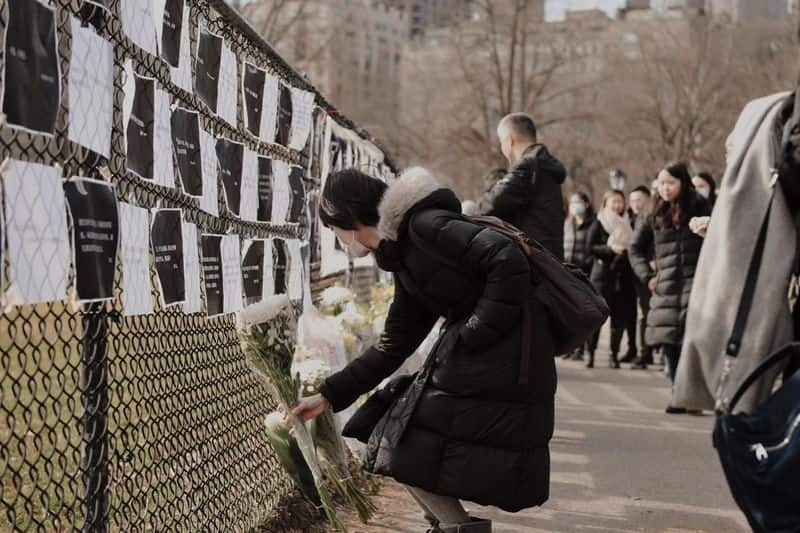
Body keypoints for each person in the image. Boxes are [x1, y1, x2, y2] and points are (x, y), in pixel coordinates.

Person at [295, 167, 557, 532]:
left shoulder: (424, 227)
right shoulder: (404, 256)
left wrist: (475, 330)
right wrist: (327, 395)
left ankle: (453, 526)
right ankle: (449, 525)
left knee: (403, 443)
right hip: (489, 352)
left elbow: (507, 258)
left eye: (333, 229)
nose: (338, 239)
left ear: (349, 218)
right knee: (397, 440)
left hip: (506, 354)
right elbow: (393, 345)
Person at [629, 162, 711, 414]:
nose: (665, 188)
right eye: (662, 183)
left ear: (682, 183)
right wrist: (648, 276)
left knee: (690, 339)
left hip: (696, 281)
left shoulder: (698, 205)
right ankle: (678, 393)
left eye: (671, 183)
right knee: (669, 341)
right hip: (665, 285)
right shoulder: (652, 211)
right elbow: (635, 248)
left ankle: (691, 395)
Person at [478, 113, 567, 259]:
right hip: (550, 259)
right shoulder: (546, 166)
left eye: (501, 141)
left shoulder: (527, 166)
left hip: (533, 260)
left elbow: (490, 205)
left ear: (509, 140)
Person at [586, 190, 637, 369]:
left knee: (619, 318)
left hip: (623, 277)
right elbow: (590, 246)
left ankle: (613, 354)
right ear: (605, 203)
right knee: (597, 317)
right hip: (602, 276)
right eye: (613, 202)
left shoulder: (629, 222)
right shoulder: (599, 221)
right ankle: (590, 352)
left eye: (620, 202)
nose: (617, 205)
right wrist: (610, 250)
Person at [563, 192, 596, 360]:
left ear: (586, 204)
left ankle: (586, 348)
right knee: (571, 312)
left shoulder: (594, 223)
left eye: (578, 202)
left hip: (587, 272)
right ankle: (573, 347)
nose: (574, 205)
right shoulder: (567, 223)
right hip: (569, 272)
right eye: (572, 202)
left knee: (586, 312)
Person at [628, 186, 654, 369]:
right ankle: (644, 351)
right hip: (640, 273)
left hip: (651, 273)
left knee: (648, 314)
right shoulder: (631, 219)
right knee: (643, 314)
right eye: (632, 200)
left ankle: (647, 352)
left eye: (639, 200)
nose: (635, 204)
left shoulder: (651, 217)